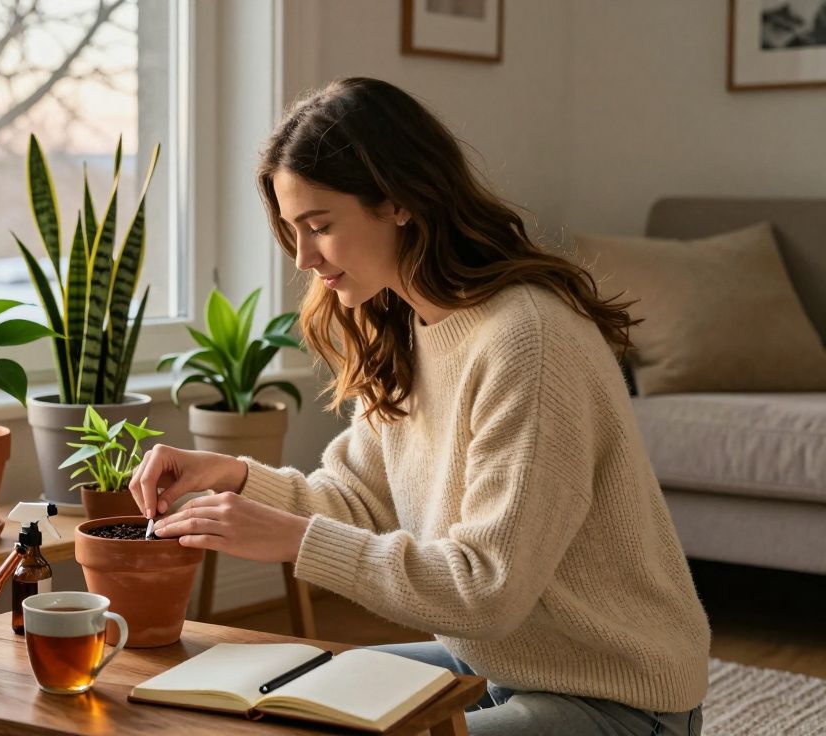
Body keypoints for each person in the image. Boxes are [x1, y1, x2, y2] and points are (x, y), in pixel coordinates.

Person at [130, 77, 708, 735]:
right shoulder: (406, 328)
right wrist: (233, 476)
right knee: (285, 704)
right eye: (293, 231)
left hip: (615, 697)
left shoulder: (528, 341)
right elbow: (356, 502)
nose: (304, 257)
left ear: (399, 203)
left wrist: (292, 540)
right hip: (494, 669)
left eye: (319, 226)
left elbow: (487, 589)